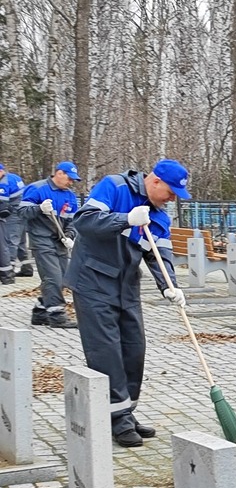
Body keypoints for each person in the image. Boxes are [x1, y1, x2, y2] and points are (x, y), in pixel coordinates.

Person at [65, 159, 191, 447]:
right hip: (93, 282)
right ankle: (117, 419)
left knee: (135, 349)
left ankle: (126, 411)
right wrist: (126, 219)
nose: (172, 199)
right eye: (171, 192)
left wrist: (170, 286)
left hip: (126, 286)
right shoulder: (115, 186)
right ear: (155, 181)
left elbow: (159, 253)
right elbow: (84, 221)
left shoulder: (160, 216)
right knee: (106, 352)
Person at [19, 162, 81, 328]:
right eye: (69, 178)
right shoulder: (38, 189)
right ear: (59, 173)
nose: (71, 182)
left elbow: (72, 221)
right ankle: (57, 315)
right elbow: (22, 212)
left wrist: (69, 236)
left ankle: (40, 312)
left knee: (62, 278)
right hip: (41, 240)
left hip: (59, 240)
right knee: (53, 277)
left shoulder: (70, 196)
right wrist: (39, 208)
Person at [0, 165, 31, 277]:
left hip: (14, 213)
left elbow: (2, 203)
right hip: (23, 211)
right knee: (21, 241)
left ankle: (9, 269)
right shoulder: (13, 177)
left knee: (11, 241)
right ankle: (27, 268)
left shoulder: (3, 183)